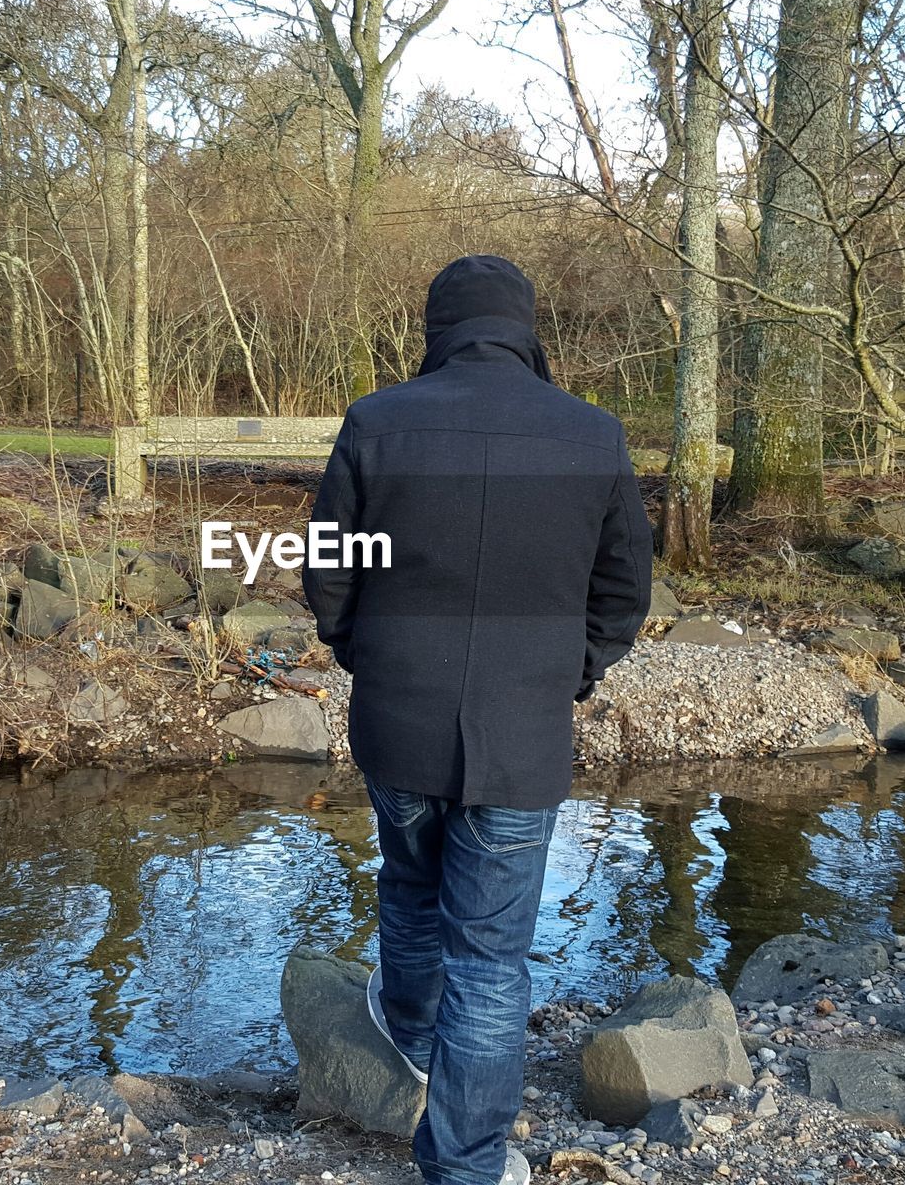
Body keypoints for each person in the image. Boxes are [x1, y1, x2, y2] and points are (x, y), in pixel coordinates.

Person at [301, 255, 653, 1185]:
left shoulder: (378, 421)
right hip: (523, 732)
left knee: (411, 885)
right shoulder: (591, 434)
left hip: (397, 716)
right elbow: (621, 592)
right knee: (492, 961)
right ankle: (463, 1165)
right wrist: (567, 672)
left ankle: (410, 1034)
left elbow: (329, 571)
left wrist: (363, 654)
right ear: (527, 328)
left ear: (438, 327)